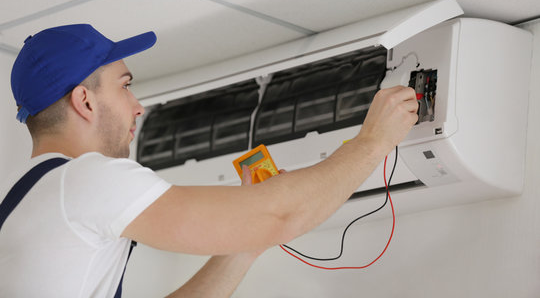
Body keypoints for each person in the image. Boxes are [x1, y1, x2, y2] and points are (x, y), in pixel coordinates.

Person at [0, 24, 418, 297]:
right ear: (85, 101)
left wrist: (244, 246)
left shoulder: (26, 200)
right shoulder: (85, 180)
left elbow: (269, 223)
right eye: (125, 86)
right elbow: (279, 215)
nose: (138, 106)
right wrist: (373, 142)